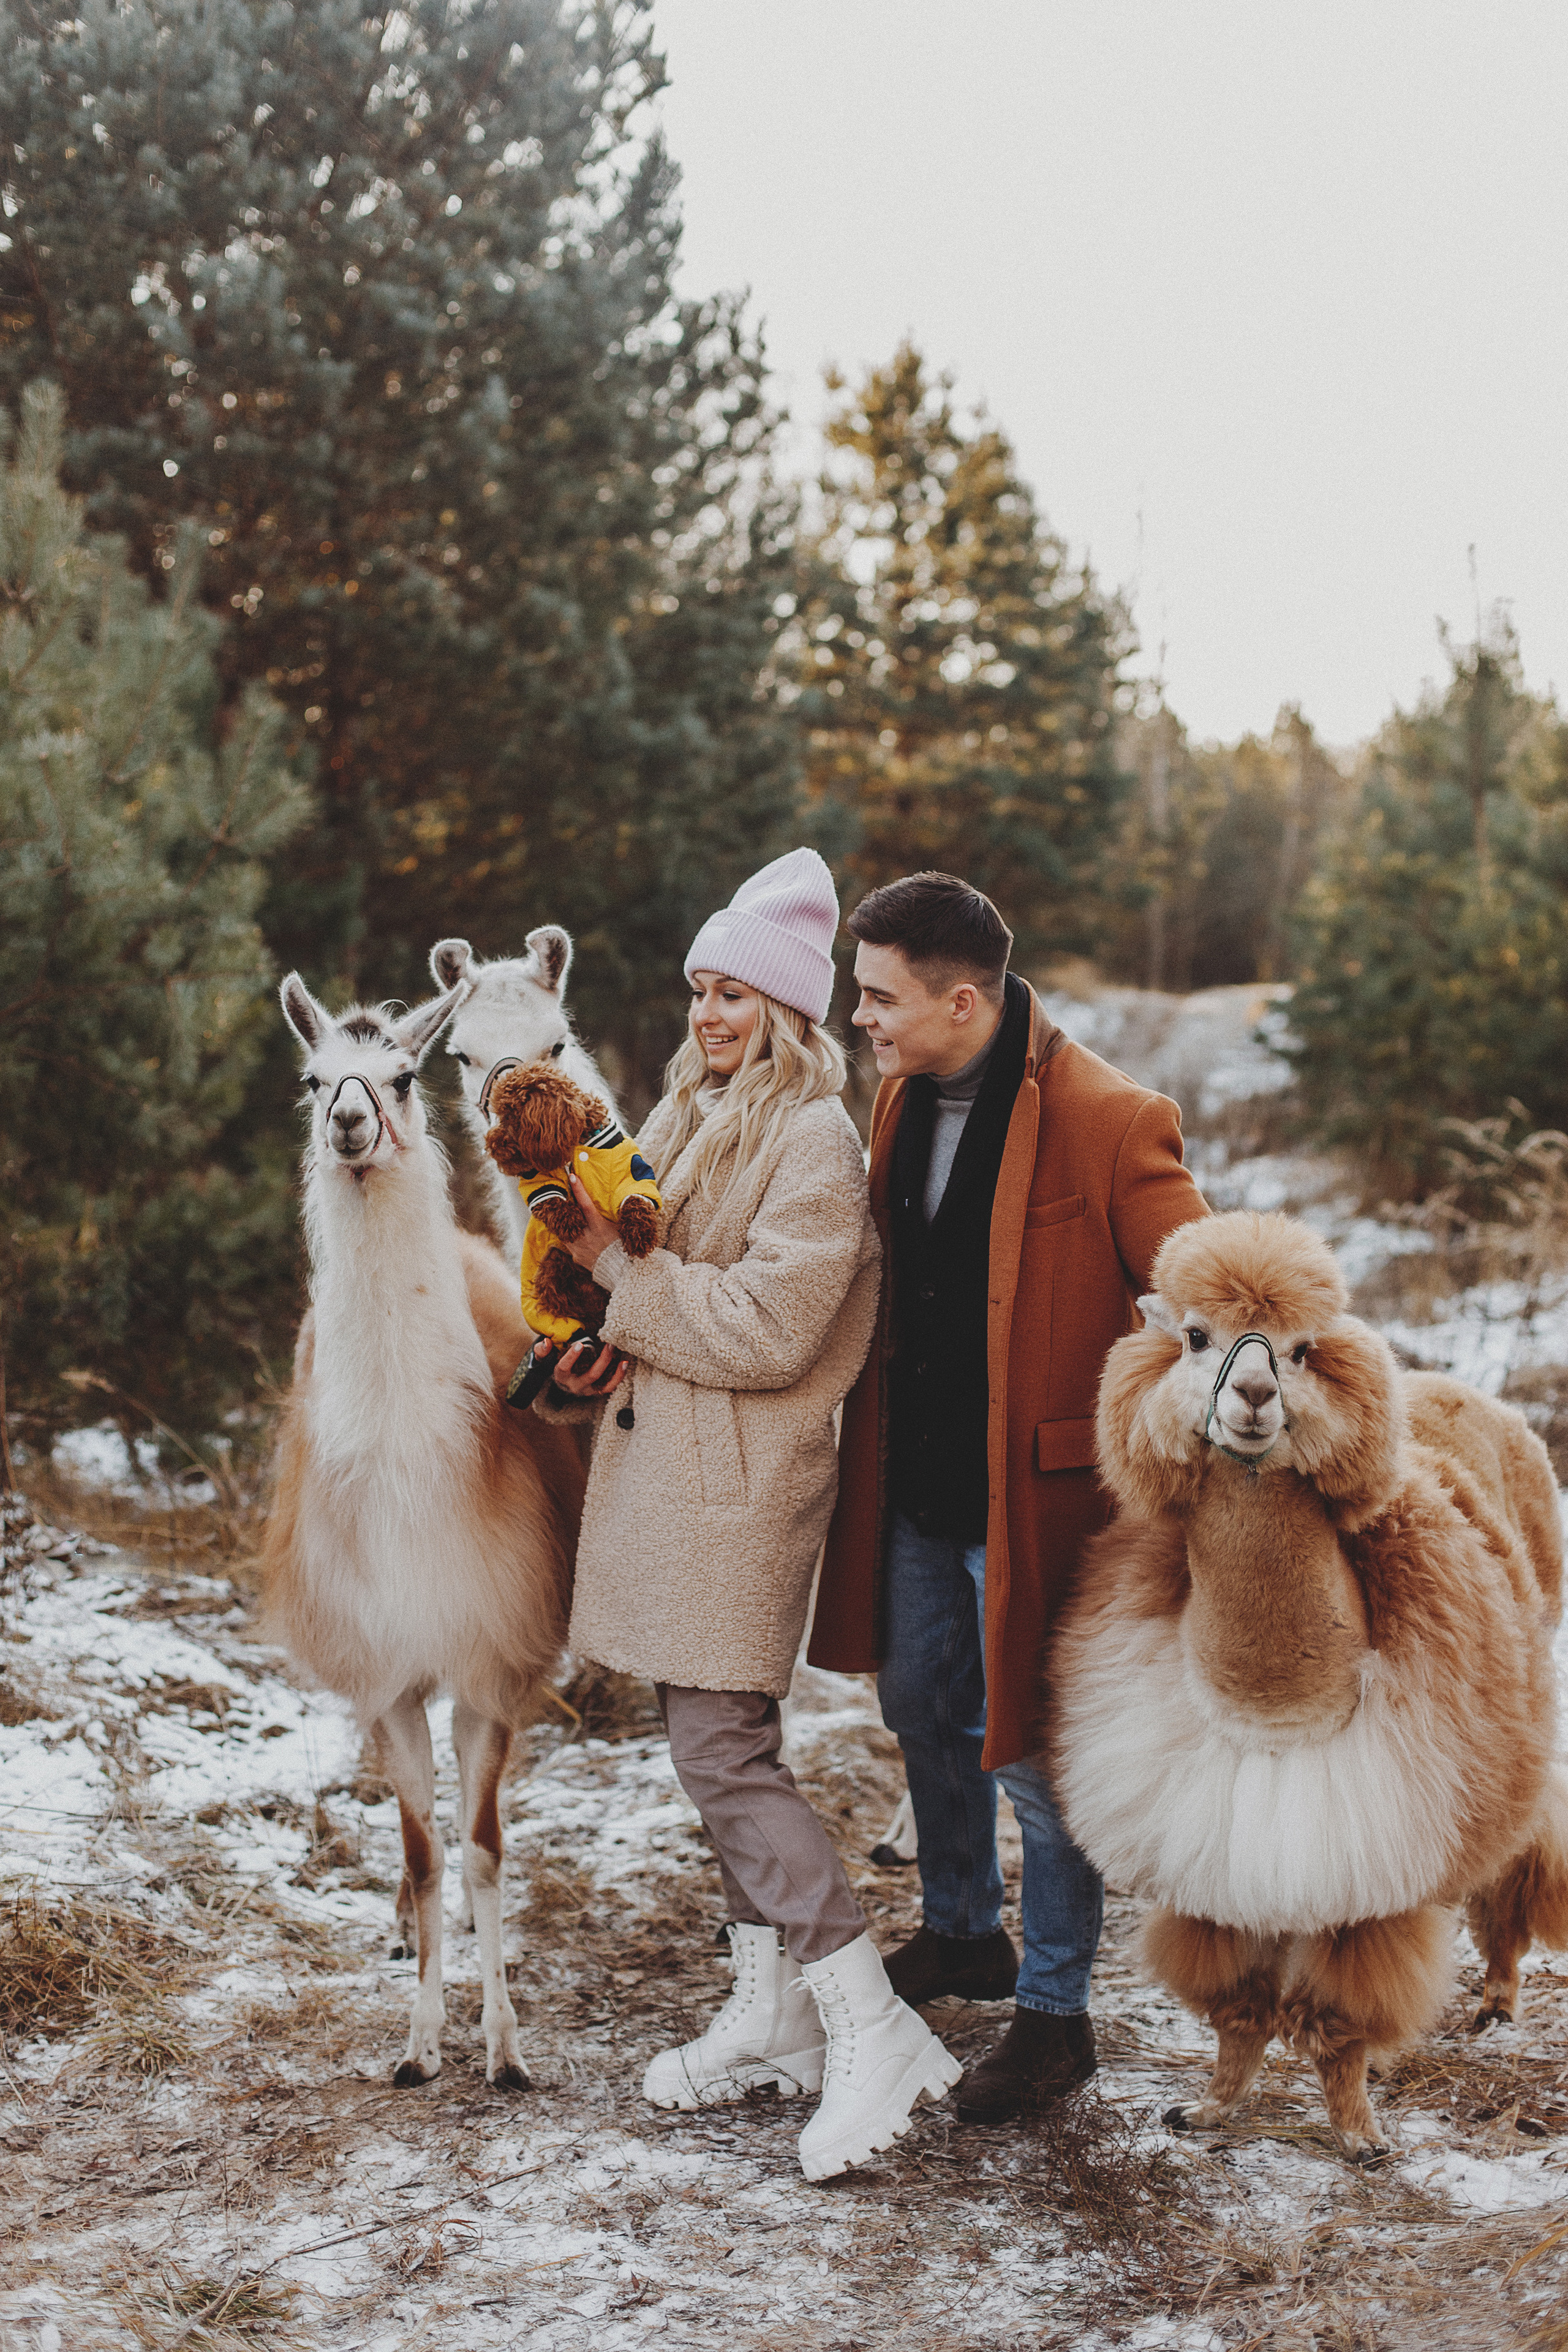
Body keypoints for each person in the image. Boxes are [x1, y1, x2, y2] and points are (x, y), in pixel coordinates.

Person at [537, 846, 960, 2182]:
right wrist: (590, 1330)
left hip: (738, 1483)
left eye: (734, 994)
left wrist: (617, 1277)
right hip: (666, 1469)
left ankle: (863, 2016)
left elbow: (774, 1327)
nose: (709, 1014)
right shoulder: (686, 1110)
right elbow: (636, 1271)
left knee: (723, 1752)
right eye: (698, 989)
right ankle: (768, 2006)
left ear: (785, 1009)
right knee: (705, 1740)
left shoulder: (811, 1140)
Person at [807, 871, 1209, 2122]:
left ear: (961, 1000)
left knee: (1034, 1758)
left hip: (1035, 1509)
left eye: (876, 996)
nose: (857, 1016)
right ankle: (964, 1930)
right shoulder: (897, 1096)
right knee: (923, 1706)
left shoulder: (1110, 1117)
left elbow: (1205, 1291)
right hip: (913, 1489)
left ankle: (1053, 2015)